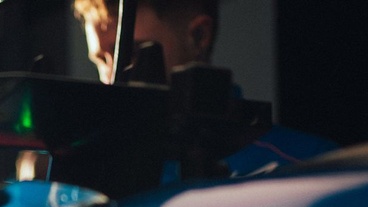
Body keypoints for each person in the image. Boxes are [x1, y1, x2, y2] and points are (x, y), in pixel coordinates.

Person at [71, 0, 337, 175]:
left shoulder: (311, 169)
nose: (111, 78)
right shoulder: (88, 177)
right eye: (101, 60)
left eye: (133, 54)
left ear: (199, 36)